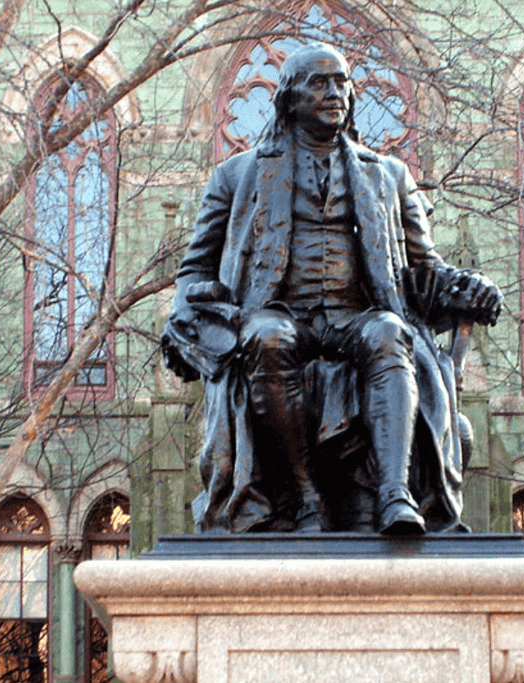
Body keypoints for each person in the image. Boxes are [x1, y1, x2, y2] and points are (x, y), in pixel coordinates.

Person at [163, 42, 501, 535]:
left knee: (390, 332)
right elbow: (194, 272)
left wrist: (471, 288)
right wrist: (187, 322)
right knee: (266, 337)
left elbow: (422, 273)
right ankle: (305, 496)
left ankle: (394, 496)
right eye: (318, 83)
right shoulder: (237, 175)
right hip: (279, 313)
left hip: (356, 317)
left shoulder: (389, 175)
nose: (334, 93)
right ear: (288, 99)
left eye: (342, 82)